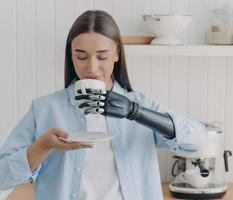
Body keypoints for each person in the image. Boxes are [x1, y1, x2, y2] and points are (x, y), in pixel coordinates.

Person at [0, 10, 206, 200]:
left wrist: (135, 112)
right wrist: (42, 146)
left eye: (102, 56)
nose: (91, 67)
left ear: (117, 53)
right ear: (70, 55)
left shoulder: (140, 104)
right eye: (81, 56)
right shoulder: (45, 109)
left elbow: (198, 140)